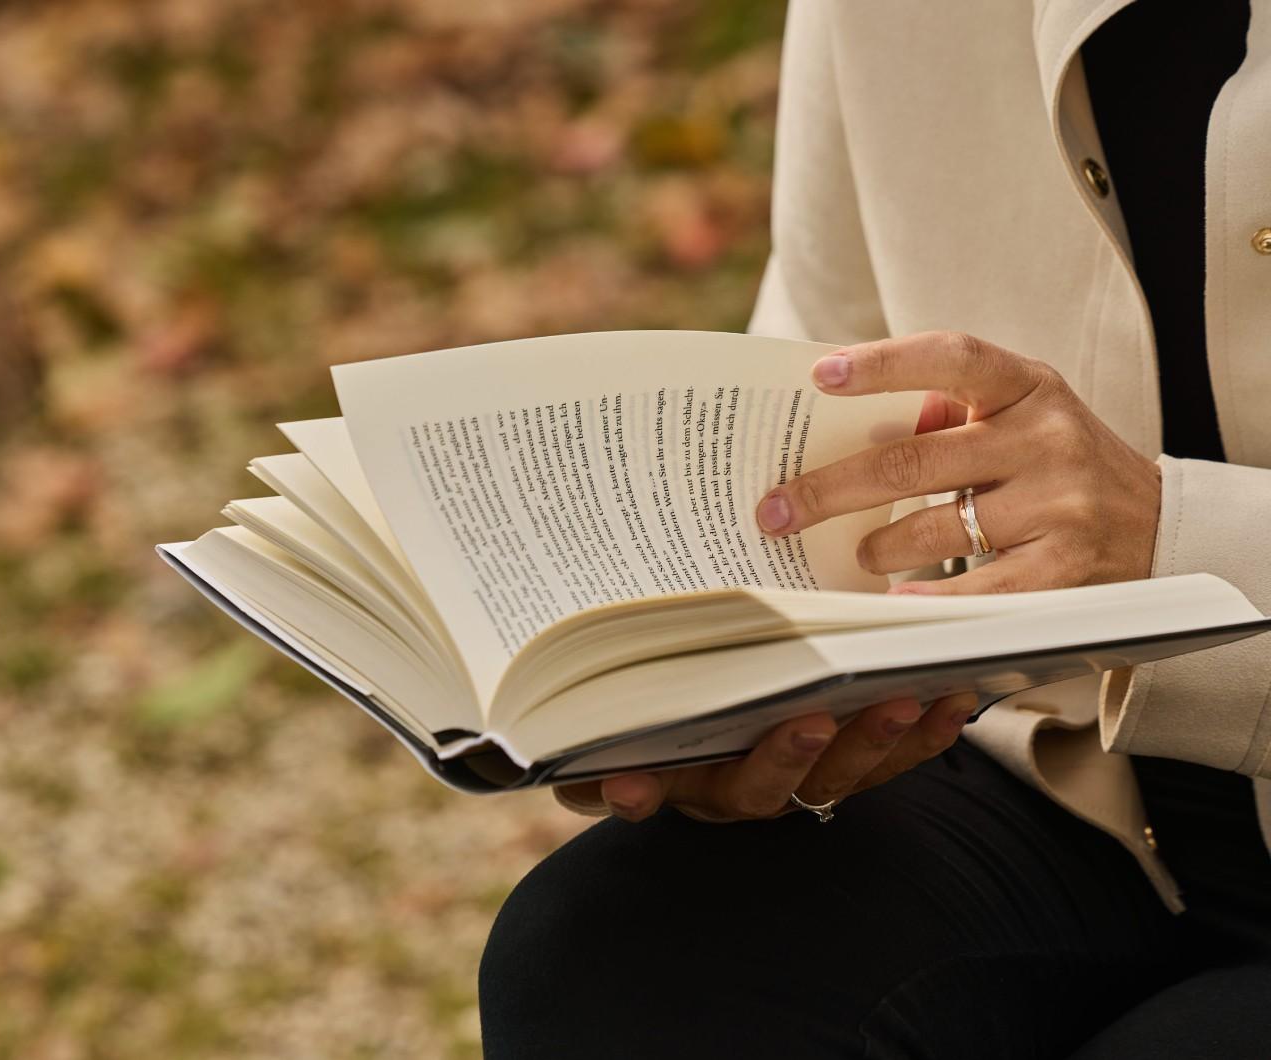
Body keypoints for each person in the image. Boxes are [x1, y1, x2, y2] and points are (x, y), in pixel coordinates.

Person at [479, 2, 1271, 1056]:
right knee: (600, 961)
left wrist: (1183, 541)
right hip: (1070, 779)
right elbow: (815, 369)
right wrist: (722, 705)